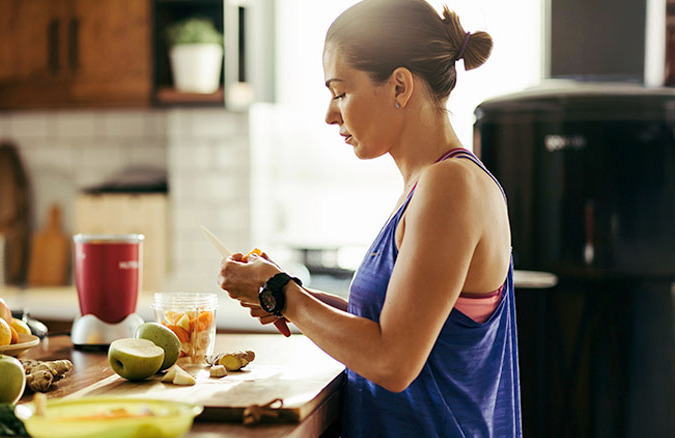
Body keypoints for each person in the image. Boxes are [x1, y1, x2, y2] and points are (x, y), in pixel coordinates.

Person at [216, 0, 521, 436]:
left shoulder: (449, 187)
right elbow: (394, 325)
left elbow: (393, 361)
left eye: (340, 92)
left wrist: (280, 294)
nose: (329, 113)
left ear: (400, 87)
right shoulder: (429, 184)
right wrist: (293, 294)